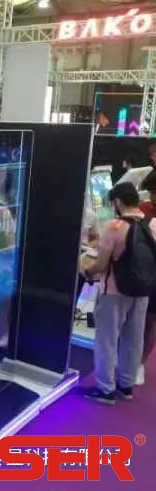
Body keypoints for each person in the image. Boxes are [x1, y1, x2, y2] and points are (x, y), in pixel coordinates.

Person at [83, 182, 156, 404]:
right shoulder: (151, 224)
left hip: (114, 291)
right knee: (134, 339)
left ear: (117, 202)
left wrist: (87, 270)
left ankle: (105, 388)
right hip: (142, 291)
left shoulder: (114, 227)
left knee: (107, 339)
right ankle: (126, 386)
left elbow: (102, 264)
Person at [137, 171, 156, 385]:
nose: (152, 197)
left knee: (151, 323)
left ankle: (140, 363)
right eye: (150, 191)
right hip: (141, 274)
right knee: (134, 320)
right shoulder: (143, 208)